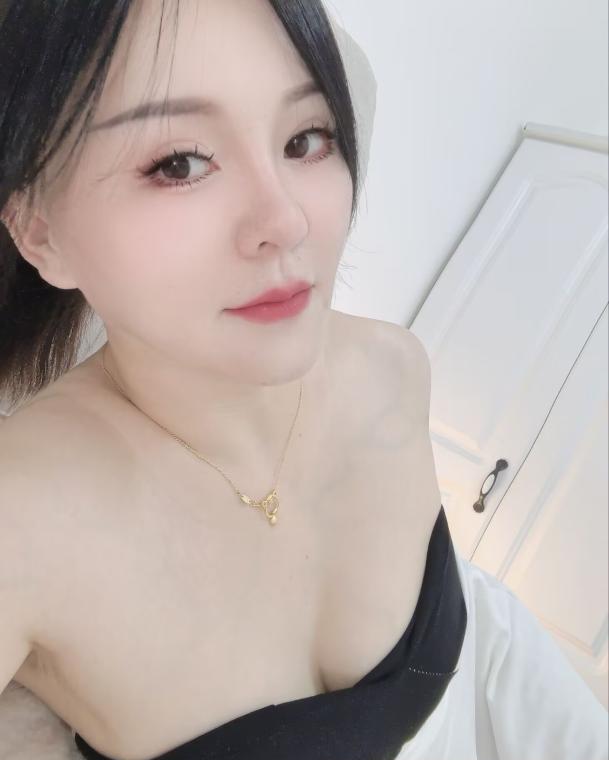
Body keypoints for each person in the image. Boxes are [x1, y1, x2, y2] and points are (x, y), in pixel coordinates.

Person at [0, 2, 606, 760]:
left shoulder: (393, 368)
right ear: (40, 233)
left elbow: (482, 649)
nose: (285, 220)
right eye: (179, 163)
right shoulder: (21, 521)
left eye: (305, 139)